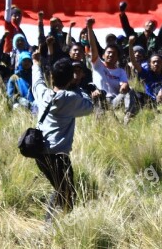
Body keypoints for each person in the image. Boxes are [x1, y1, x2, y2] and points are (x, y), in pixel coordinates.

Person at [31, 53, 94, 219]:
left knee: (61, 190)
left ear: (51, 77)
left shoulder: (43, 94)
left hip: (39, 153)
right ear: (70, 79)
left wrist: (36, 63)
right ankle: (49, 230)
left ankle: (50, 227)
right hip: (58, 156)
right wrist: (81, 87)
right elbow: (89, 107)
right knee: (68, 196)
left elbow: (37, 82)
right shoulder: (70, 98)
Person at [87, 18, 138, 123]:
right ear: (103, 55)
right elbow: (93, 47)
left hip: (115, 101)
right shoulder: (98, 65)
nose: (110, 55)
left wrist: (124, 86)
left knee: (131, 90)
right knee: (99, 96)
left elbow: (124, 84)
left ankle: (128, 118)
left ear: (117, 58)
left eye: (114, 54)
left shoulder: (120, 71)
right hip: (100, 98)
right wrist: (89, 28)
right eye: (108, 52)